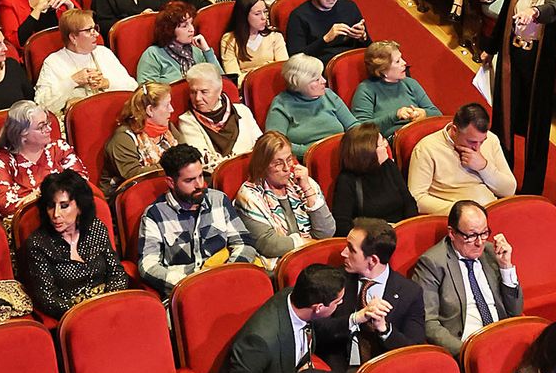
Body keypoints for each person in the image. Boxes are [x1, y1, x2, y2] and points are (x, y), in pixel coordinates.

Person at [488, 0, 556, 197]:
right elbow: (504, 17)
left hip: (539, 65)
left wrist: (534, 13)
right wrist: (489, 49)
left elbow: (553, 9)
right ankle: (502, 180)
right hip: (512, 56)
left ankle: (531, 188)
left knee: (536, 128)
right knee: (505, 119)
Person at [216, 262, 348, 373]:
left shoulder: (298, 297)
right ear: (318, 307)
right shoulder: (260, 341)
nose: (341, 304)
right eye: (337, 302)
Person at [138, 147, 262, 301]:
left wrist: (230, 274)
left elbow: (244, 243)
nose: (199, 185)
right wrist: (189, 285)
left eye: (201, 176)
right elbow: (148, 266)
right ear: (171, 182)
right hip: (188, 294)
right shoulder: (155, 215)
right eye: (189, 180)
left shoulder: (218, 200)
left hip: (228, 282)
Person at [414, 202, 522, 357]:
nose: (479, 242)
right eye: (471, 236)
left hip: (503, 338)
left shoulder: (492, 252)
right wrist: (467, 351)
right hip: (466, 346)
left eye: (484, 233)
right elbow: (429, 323)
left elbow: (515, 311)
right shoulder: (432, 263)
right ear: (452, 233)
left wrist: (506, 267)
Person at [312, 223, 424, 370]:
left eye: (351, 249)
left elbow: (415, 351)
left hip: (387, 372)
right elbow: (316, 329)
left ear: (373, 261)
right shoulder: (336, 280)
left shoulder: (410, 292)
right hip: (340, 371)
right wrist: (355, 318)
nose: (343, 253)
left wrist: (384, 329)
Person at [19, 168, 125, 318]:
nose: (56, 214)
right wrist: (86, 314)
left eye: (64, 206)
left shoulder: (96, 228)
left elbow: (117, 273)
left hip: (109, 307)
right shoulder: (38, 244)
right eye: (51, 206)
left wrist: (110, 305)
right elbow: (47, 298)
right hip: (72, 316)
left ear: (80, 206)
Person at [236, 133, 334, 259]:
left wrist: (307, 189)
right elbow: (269, 245)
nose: (287, 168)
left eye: (289, 159)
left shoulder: (302, 181)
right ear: (262, 165)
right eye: (278, 163)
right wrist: (309, 244)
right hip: (280, 264)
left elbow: (326, 232)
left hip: (315, 256)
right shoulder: (249, 195)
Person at [407, 104, 518, 216]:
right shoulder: (426, 148)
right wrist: (463, 211)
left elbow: (509, 191)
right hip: (457, 219)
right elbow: (416, 198)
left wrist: (484, 167)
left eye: (482, 141)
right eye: (472, 142)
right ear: (454, 130)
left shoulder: (491, 139)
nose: (477, 148)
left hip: (493, 212)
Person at [264, 56, 357, 152]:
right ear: (299, 83)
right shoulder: (282, 104)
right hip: (305, 161)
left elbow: (353, 126)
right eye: (317, 79)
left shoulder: (328, 95)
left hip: (343, 152)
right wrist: (312, 152)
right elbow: (276, 144)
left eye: (321, 76)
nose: (324, 81)